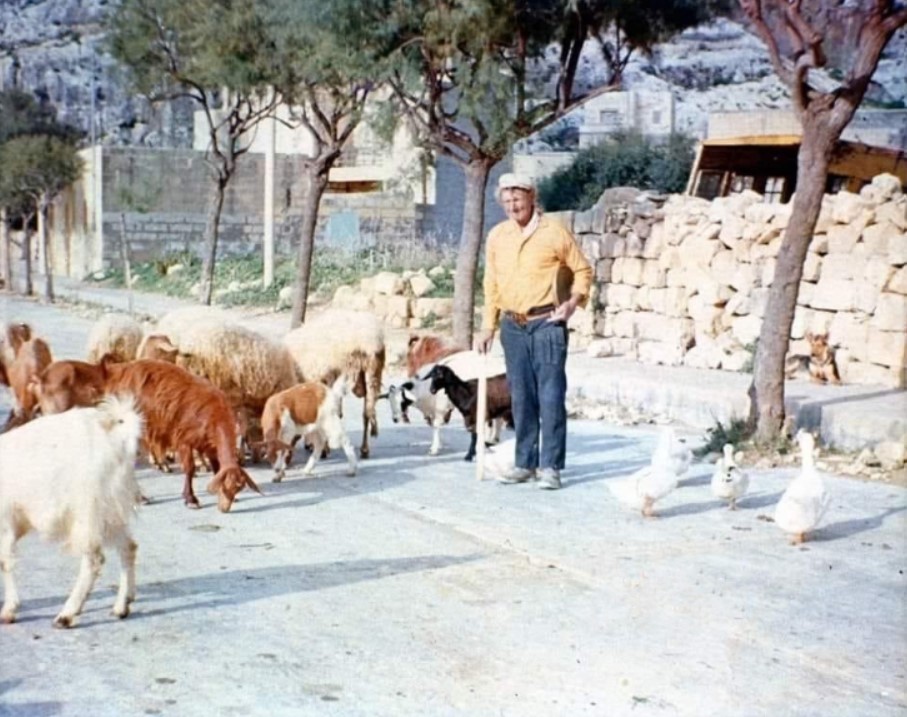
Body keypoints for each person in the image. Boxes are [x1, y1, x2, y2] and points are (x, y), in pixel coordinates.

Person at [475, 173, 592, 490]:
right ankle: (525, 462)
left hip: (547, 324)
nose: (513, 205)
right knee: (521, 396)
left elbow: (582, 270)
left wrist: (572, 304)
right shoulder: (498, 236)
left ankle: (550, 466)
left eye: (518, 198)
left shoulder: (554, 232)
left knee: (550, 396)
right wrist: (487, 325)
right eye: (507, 200)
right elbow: (491, 284)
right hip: (512, 326)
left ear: (531, 197)